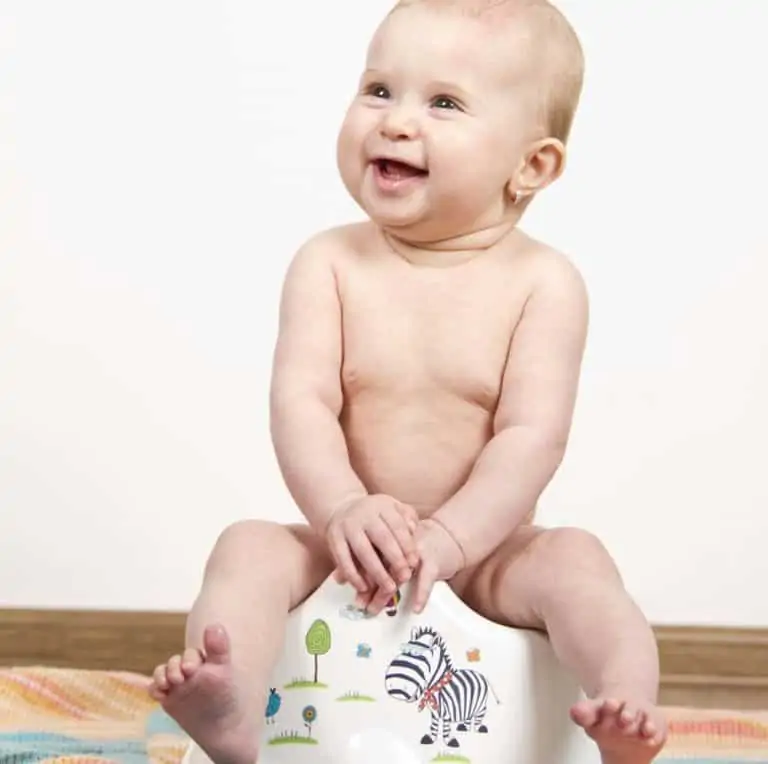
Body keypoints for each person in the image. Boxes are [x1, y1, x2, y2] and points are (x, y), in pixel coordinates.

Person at [148, 1, 668, 762]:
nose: (394, 122)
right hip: (347, 541)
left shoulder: (543, 284)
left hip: (487, 552)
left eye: (445, 103)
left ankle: (624, 706)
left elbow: (531, 437)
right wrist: (341, 510)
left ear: (532, 165)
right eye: (379, 90)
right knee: (248, 549)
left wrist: (452, 539)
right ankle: (232, 699)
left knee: (579, 563)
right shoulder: (328, 263)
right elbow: (303, 405)